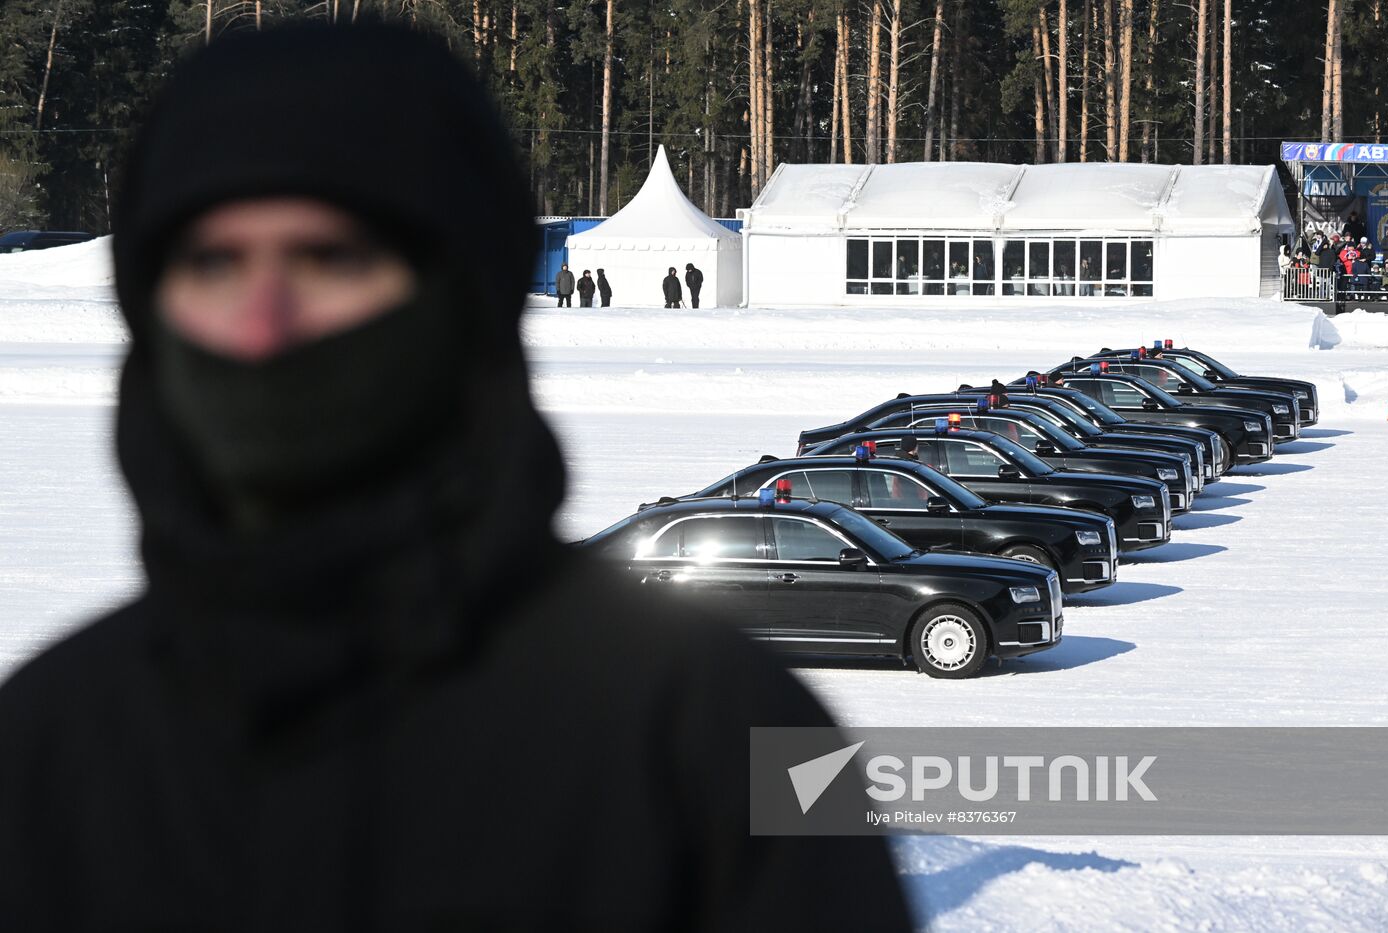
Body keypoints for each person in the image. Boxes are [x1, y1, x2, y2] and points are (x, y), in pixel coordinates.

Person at [0, 24, 912, 932]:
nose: (266, 321)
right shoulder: (49, 745)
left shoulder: (717, 734)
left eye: (332, 258)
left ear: (459, 298)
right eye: (212, 262)